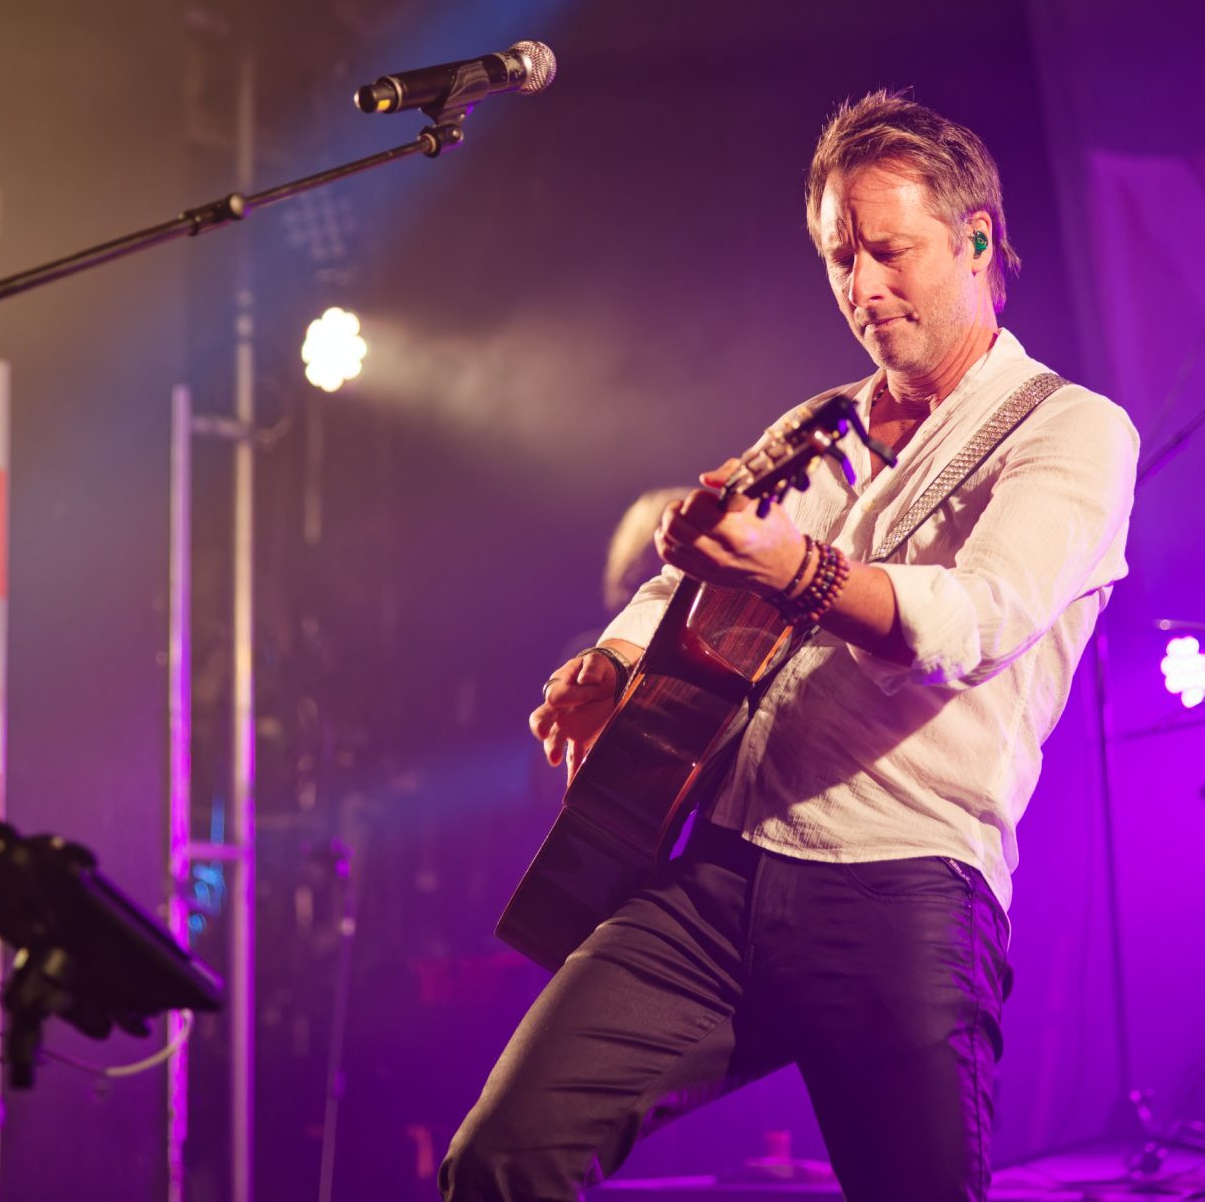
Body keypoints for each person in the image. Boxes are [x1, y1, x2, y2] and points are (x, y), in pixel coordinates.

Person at [441, 91, 1138, 1201]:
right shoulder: (819, 424)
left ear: (977, 242)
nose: (862, 287)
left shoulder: (1075, 428)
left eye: (889, 251)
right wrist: (614, 664)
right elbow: (681, 584)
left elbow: (979, 619)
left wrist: (798, 572)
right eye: (838, 258)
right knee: (500, 1155)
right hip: (719, 878)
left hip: (904, 887)